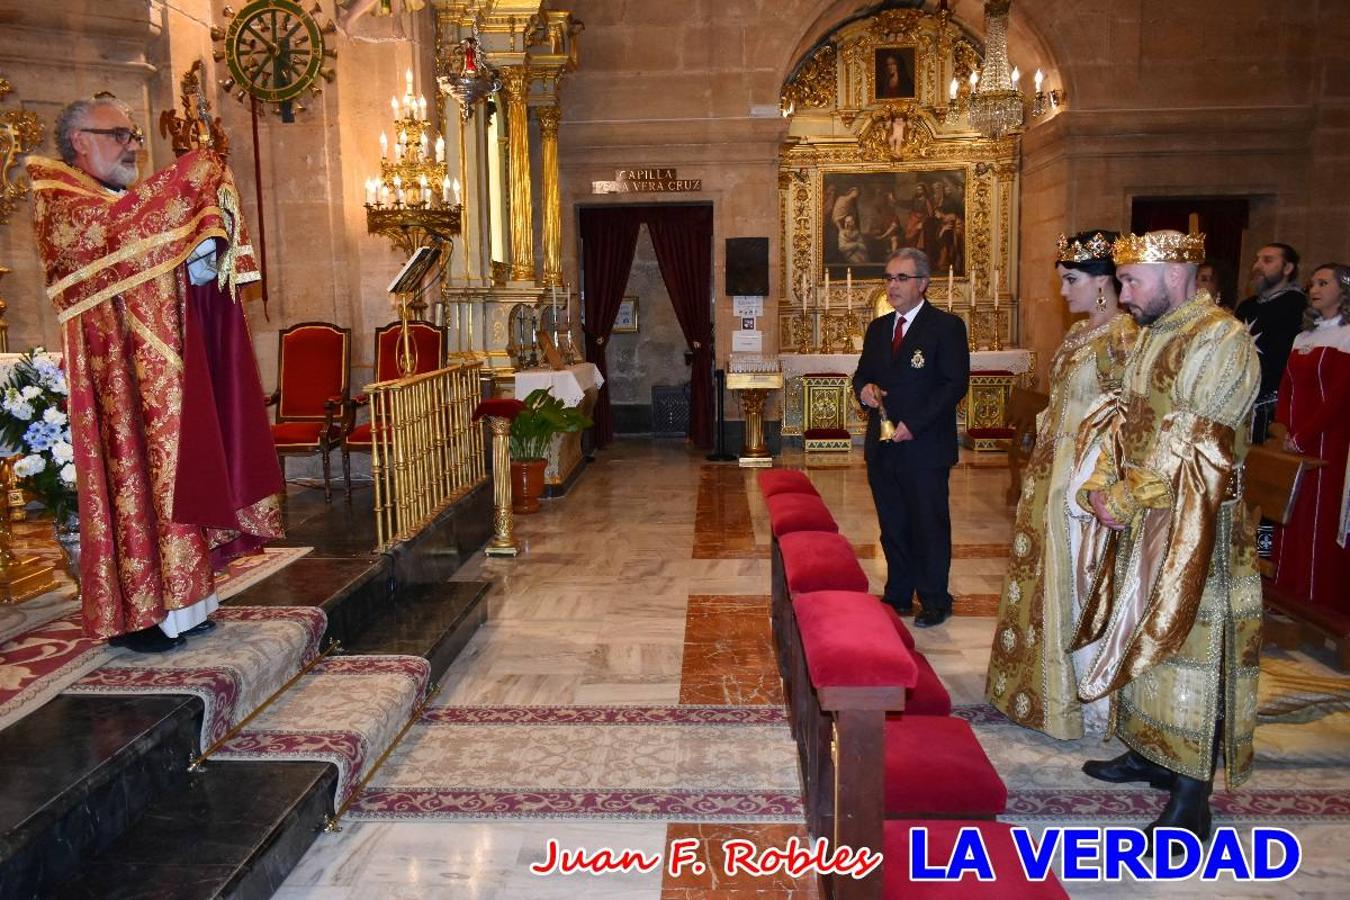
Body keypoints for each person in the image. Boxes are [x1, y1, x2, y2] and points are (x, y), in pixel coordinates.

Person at [28, 96, 284, 652]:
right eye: (120, 134)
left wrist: (199, 255)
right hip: (119, 380)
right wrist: (195, 174)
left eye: (135, 134)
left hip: (163, 370)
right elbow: (123, 232)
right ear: (80, 140)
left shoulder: (116, 202)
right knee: (137, 480)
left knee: (180, 472)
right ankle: (139, 612)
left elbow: (154, 247)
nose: (134, 146)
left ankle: (188, 604)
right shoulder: (63, 202)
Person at [1075, 230, 1260, 844]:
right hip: (1146, 513)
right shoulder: (1156, 334)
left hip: (1197, 526)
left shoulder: (1221, 339)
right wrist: (1103, 480)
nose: (1121, 294)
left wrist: (1124, 496)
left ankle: (1191, 792)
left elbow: (1192, 439)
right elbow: (1125, 418)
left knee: (1188, 642)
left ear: (1177, 273)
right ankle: (1149, 750)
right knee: (1141, 627)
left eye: (1131, 281)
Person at [985, 231, 1137, 739]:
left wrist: (1091, 478)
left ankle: (1085, 695)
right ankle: (1038, 684)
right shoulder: (1079, 334)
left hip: (1082, 476)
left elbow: (1127, 417)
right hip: (1053, 467)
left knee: (1079, 575)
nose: (1064, 291)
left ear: (1103, 282)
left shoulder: (1123, 335)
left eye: (1071, 280)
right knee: (1045, 572)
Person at [852, 248, 969, 628]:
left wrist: (914, 424)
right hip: (883, 445)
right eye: (888, 278)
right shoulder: (878, 329)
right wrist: (864, 391)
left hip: (924, 446)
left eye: (901, 278)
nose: (892, 285)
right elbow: (861, 374)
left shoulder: (946, 327)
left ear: (923, 283)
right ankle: (898, 593)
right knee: (893, 522)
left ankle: (935, 599)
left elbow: (954, 384)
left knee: (928, 524)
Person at [1271, 263, 1350, 612]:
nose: (1314, 289)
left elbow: (1338, 398)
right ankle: (1285, 591)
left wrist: (1303, 436)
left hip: (1327, 442)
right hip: (1293, 441)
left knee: (1319, 514)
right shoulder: (1302, 336)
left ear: (1344, 291)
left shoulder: (1347, 336)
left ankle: (1315, 599)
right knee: (1289, 511)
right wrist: (1284, 429)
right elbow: (1286, 389)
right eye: (1312, 283)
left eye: (1323, 283)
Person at [1235, 243, 1307, 442]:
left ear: (1287, 268)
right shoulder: (1246, 306)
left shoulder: (1297, 304)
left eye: (1267, 260)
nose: (1257, 266)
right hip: (1239, 399)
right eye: (1257, 260)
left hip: (1272, 406)